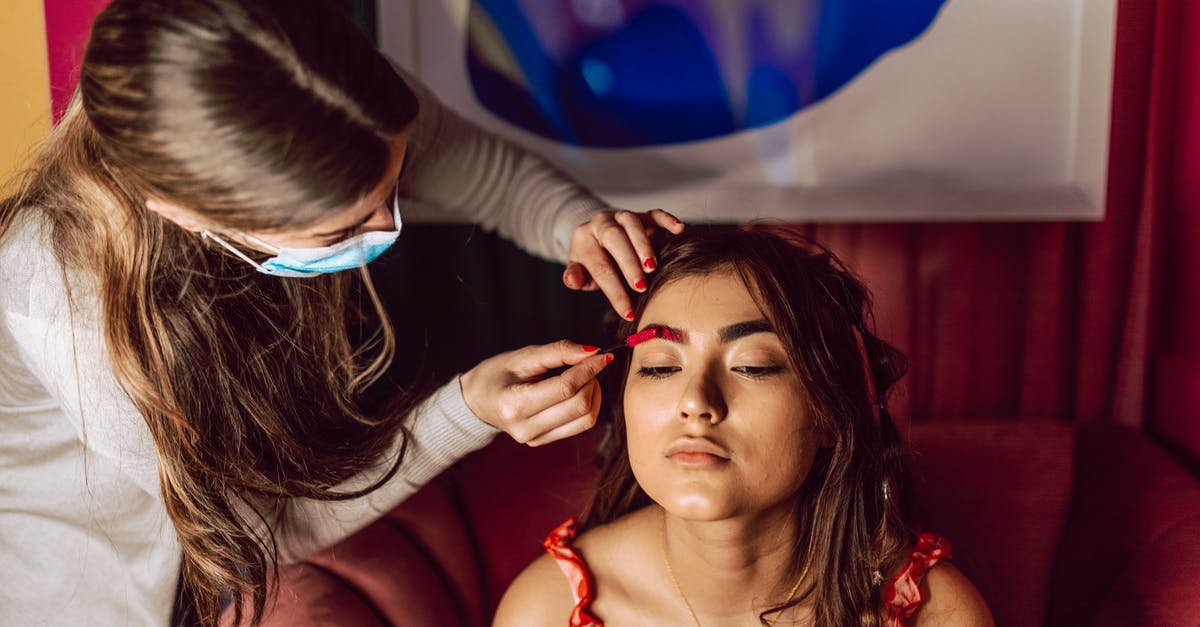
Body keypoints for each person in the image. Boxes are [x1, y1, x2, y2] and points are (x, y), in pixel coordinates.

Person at [0, 1, 684, 625]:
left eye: (395, 186)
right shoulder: (66, 305)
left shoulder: (331, 101)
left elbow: (493, 178)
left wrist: (578, 224)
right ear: (183, 214)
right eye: (340, 231)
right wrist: (467, 411)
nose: (387, 229)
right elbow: (269, 530)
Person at [496, 226, 993, 626]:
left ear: (831, 415)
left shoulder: (933, 614)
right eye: (661, 367)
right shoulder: (548, 611)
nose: (695, 402)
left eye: (753, 365)